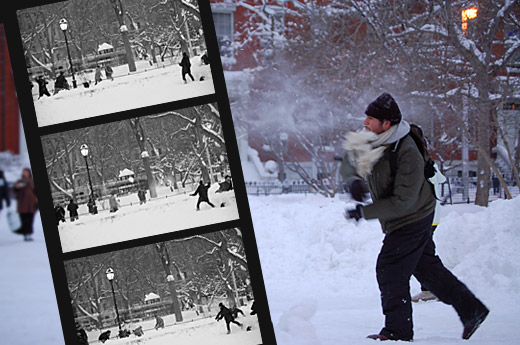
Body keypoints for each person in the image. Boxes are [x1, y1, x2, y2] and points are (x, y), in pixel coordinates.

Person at [341, 93, 488, 341]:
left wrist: (364, 212)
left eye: (370, 118)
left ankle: (397, 331)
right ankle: (472, 310)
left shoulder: (406, 150)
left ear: (386, 123)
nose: (365, 122)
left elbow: (403, 201)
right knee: (428, 270)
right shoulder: (372, 138)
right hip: (404, 215)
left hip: (413, 217)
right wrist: (353, 180)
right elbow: (348, 160)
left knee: (390, 269)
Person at [412, 162, 446, 303]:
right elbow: (441, 179)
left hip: (423, 218)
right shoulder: (431, 165)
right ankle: (429, 289)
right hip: (433, 217)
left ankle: (437, 289)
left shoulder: (416, 165)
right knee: (423, 254)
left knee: (421, 256)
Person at [11, 168, 38, 242]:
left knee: (30, 219)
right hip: (22, 204)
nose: (25, 174)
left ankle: (28, 233)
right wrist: (16, 187)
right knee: (24, 219)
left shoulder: (32, 182)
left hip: (31, 204)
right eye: (24, 172)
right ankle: (26, 234)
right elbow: (13, 191)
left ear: (29, 173)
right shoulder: (19, 182)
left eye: (26, 172)